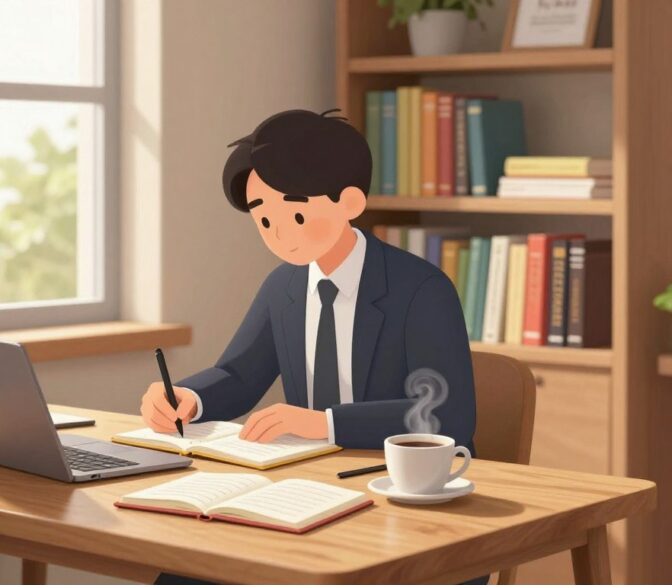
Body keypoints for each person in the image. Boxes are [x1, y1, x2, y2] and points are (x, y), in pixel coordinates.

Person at [142, 109, 486, 585]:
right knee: (190, 568)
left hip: (401, 504)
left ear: (349, 202)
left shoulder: (420, 289)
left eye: (296, 213)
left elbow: (449, 417)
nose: (278, 232)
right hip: (307, 494)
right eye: (263, 218)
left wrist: (324, 423)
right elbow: (241, 375)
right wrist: (188, 397)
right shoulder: (283, 287)